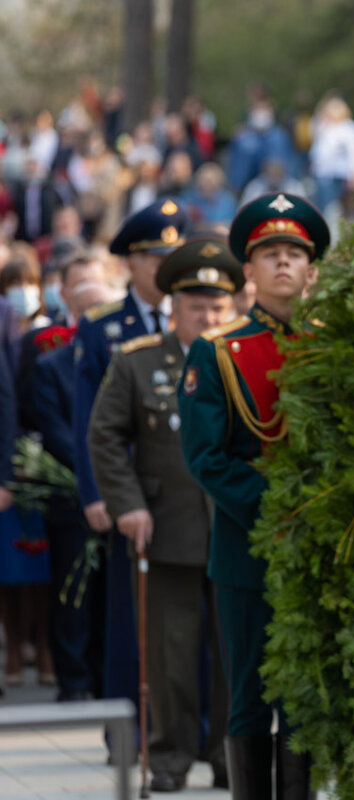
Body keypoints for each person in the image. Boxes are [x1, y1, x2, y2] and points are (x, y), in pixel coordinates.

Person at [178, 193, 328, 798]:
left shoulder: (333, 347)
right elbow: (205, 457)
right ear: (249, 272)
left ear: (312, 270)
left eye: (295, 253)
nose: (284, 263)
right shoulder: (216, 352)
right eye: (271, 254)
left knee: (304, 700)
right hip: (250, 550)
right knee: (249, 700)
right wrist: (281, 510)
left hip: (320, 547)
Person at [88, 237, 238, 790]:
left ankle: (230, 757)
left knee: (235, 657)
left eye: (218, 308)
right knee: (170, 657)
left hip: (235, 532)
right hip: (166, 528)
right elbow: (105, 436)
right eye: (196, 307)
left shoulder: (244, 360)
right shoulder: (139, 361)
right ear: (173, 306)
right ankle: (170, 758)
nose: (208, 317)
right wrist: (126, 504)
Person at [72, 199, 186, 725]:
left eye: (172, 253)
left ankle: (189, 722)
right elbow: (87, 420)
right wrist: (96, 493)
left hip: (184, 494)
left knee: (186, 615)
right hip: (128, 492)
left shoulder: (198, 321)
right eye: (154, 256)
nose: (165, 264)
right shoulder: (101, 329)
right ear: (130, 264)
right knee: (129, 614)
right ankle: (128, 725)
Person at [32, 279, 119, 702]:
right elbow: (59, 435)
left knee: (109, 596)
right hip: (71, 501)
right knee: (73, 596)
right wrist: (96, 475)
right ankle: (74, 680)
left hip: (121, 498)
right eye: (89, 311)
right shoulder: (51, 366)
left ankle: (106, 678)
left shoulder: (124, 361)